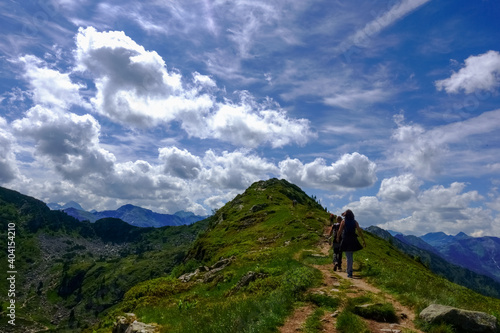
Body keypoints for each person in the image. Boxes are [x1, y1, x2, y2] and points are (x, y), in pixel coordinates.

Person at [336, 209, 366, 278]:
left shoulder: (343, 221)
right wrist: (363, 240)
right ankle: (349, 271)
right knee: (350, 255)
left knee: (348, 256)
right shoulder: (355, 222)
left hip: (346, 239)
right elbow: (359, 231)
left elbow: (340, 230)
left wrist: (338, 237)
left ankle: (349, 272)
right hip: (353, 239)